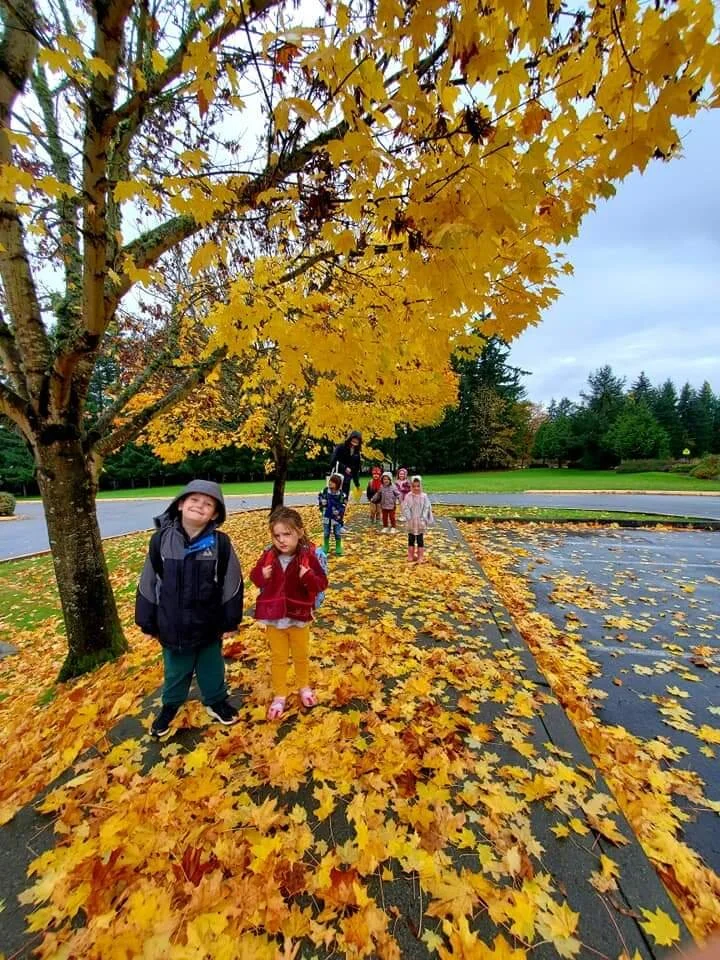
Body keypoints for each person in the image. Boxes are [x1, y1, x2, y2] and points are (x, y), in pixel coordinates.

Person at [135, 480, 244, 739]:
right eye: (194, 500)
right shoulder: (161, 541)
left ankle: (215, 700)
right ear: (181, 504)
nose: (200, 506)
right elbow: (148, 582)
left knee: (211, 666)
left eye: (208, 504)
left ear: (215, 514)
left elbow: (232, 583)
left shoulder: (221, 544)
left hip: (209, 623)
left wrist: (230, 622)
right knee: (176, 670)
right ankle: (170, 706)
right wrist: (147, 622)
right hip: (172, 624)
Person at [250, 506, 329, 720]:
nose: (282, 540)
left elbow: (321, 583)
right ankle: (280, 695)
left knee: (301, 655)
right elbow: (255, 578)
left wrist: (308, 576)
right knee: (278, 658)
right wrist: (261, 574)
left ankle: (304, 686)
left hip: (299, 616)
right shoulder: (268, 556)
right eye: (277, 535)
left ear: (299, 532)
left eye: (287, 534)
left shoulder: (309, 556)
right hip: (274, 617)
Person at [402, 475, 434, 562]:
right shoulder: (408, 496)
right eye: (414, 486)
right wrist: (409, 516)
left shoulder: (424, 496)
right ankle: (410, 555)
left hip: (420, 521)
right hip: (411, 521)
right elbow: (405, 506)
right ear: (411, 486)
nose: (416, 488)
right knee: (411, 538)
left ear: (421, 486)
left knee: (420, 539)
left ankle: (420, 556)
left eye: (418, 486)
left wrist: (423, 517)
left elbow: (427, 507)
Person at [318, 473, 347, 556]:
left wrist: (339, 511)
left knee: (337, 532)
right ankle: (326, 546)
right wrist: (322, 502)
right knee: (326, 532)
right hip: (326, 515)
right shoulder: (325, 491)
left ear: (338, 484)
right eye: (330, 481)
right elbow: (320, 497)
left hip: (336, 516)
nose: (330, 483)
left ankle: (338, 546)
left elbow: (343, 504)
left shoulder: (342, 494)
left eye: (333, 482)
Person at [329, 430, 362, 497]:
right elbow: (333, 461)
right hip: (337, 478)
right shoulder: (341, 447)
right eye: (354, 439)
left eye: (357, 440)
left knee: (344, 498)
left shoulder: (357, 453)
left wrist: (357, 484)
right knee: (334, 498)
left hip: (347, 480)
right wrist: (344, 468)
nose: (355, 441)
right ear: (350, 438)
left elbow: (356, 469)